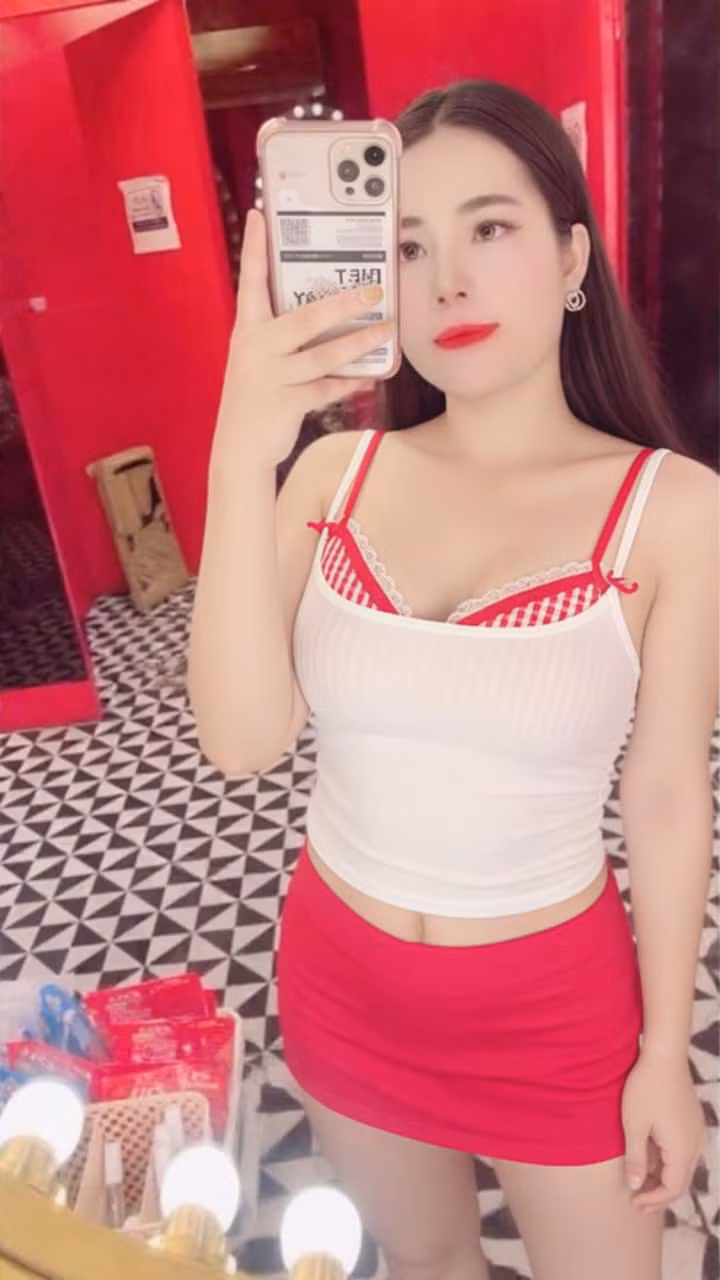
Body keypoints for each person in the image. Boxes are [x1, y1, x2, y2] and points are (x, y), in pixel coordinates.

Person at [188, 80, 717, 1280]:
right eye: (407, 246)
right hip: (342, 976)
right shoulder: (332, 476)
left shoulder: (676, 509)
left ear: (572, 255)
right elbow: (240, 738)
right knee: (428, 1262)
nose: (448, 284)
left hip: (555, 1008)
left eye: (490, 227)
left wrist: (663, 1050)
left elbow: (667, 793)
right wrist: (240, 447)